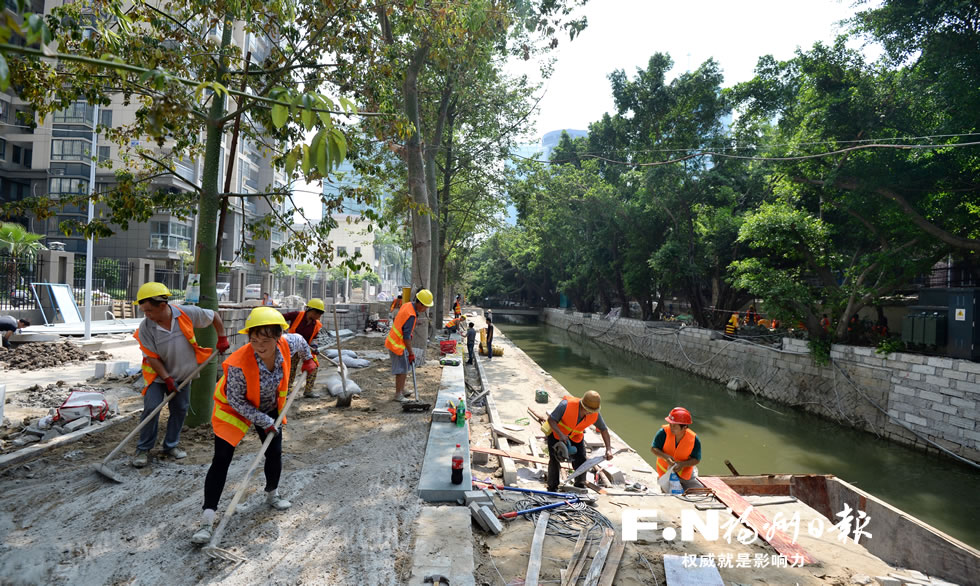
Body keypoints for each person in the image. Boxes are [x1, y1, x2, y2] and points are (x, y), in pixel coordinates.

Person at [191, 307, 315, 545]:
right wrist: (264, 421)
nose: (259, 345)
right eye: (254, 339)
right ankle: (207, 520)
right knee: (222, 458)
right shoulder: (238, 363)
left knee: (274, 452)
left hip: (267, 405)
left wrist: (309, 359)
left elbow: (300, 340)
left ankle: (272, 494)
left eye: (266, 340)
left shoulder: (287, 344)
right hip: (233, 408)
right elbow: (237, 400)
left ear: (278, 337)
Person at [132, 282, 228, 468]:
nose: (147, 315)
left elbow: (214, 316)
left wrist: (222, 337)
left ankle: (170, 446)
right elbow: (152, 358)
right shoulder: (146, 327)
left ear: (162, 306)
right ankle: (143, 449)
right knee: (151, 409)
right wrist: (167, 379)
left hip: (183, 375)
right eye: (144, 311)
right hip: (158, 377)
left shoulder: (186, 313)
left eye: (149, 311)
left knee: (180, 409)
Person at [545, 391, 613, 492]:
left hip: (575, 436)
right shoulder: (566, 405)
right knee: (555, 460)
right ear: (582, 405)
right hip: (557, 434)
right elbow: (551, 420)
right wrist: (561, 435)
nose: (590, 413)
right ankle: (552, 487)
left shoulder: (595, 414)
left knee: (581, 460)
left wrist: (608, 449)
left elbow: (604, 430)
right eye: (588, 410)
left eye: (592, 411)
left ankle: (579, 486)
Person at [385, 289, 433, 402]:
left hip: (396, 342)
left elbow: (402, 325)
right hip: (397, 345)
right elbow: (406, 336)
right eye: (425, 306)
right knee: (401, 370)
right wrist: (411, 352)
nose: (425, 309)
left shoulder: (407, 306)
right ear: (420, 303)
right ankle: (398, 394)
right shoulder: (411, 315)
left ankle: (402, 389)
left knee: (405, 367)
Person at [651, 407, 702, 492]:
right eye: (670, 424)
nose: (671, 427)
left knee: (699, 493)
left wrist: (682, 464)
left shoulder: (694, 439)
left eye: (674, 425)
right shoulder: (663, 432)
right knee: (669, 496)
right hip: (665, 473)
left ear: (684, 427)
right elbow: (654, 449)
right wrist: (665, 457)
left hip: (686, 474)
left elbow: (696, 459)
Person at [282, 299, 325, 398]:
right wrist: (279, 330)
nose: (320, 316)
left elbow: (314, 338)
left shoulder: (317, 324)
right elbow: (279, 318)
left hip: (306, 348)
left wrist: (314, 347)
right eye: (319, 313)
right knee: (291, 368)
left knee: (313, 367)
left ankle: (308, 391)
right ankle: (287, 390)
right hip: (293, 348)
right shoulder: (296, 315)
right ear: (312, 311)